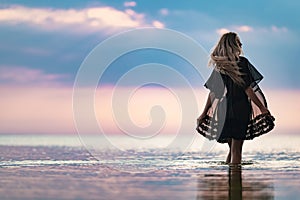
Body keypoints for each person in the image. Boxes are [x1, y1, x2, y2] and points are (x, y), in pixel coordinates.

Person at [196, 32, 275, 165]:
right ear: (233, 45)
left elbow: (213, 94)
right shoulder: (242, 63)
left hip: (224, 110)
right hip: (240, 108)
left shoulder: (220, 67)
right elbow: (248, 89)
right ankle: (236, 182)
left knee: (232, 148)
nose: (241, 45)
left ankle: (230, 181)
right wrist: (262, 108)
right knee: (237, 150)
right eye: (238, 42)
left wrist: (203, 114)